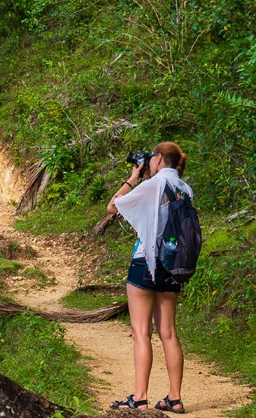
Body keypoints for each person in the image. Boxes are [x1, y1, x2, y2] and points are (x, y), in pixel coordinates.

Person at [106, 141, 191, 414]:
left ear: (157, 160)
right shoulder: (184, 188)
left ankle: (140, 398)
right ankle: (174, 398)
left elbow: (113, 206)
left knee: (142, 333)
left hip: (146, 264)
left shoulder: (152, 186)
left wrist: (133, 177)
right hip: (172, 265)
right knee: (169, 333)